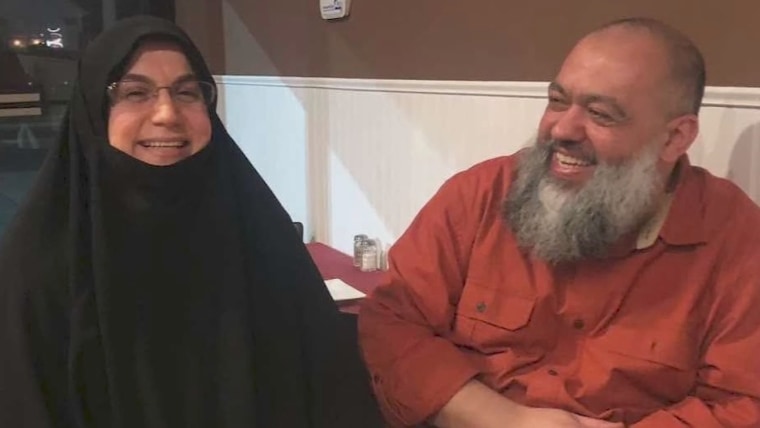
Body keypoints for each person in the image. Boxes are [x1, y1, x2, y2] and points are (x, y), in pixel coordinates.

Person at [358, 17, 760, 428]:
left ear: (674, 138)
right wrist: (504, 419)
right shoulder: (481, 194)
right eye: (556, 100)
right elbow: (392, 321)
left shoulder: (736, 239)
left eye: (601, 114)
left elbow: (745, 402)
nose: (562, 129)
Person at [0, 16, 381, 427]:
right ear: (95, 112)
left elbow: (330, 385)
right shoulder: (41, 264)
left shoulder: (260, 238)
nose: (167, 113)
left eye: (186, 92)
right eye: (135, 93)